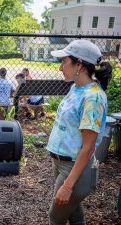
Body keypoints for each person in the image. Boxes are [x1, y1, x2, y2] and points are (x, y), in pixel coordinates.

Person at [46, 39, 112, 225]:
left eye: (64, 62)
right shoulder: (76, 87)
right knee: (74, 215)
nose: (60, 67)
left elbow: (88, 147)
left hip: (74, 167)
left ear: (80, 65)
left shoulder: (93, 98)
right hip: (60, 162)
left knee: (55, 217)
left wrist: (68, 186)